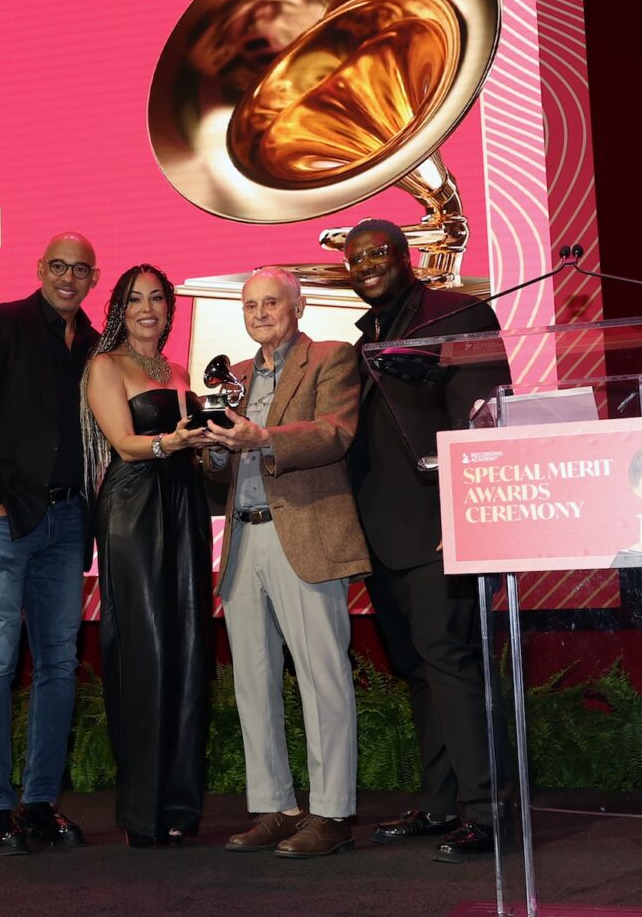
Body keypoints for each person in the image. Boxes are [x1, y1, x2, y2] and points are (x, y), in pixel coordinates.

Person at [344, 217, 505, 861]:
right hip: (384, 536)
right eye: (356, 259)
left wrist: (463, 511)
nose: (367, 265)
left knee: (449, 661)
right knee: (418, 669)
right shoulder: (366, 337)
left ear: (407, 256)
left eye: (379, 253)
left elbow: (481, 416)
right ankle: (442, 805)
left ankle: (488, 812)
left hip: (438, 528)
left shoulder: (456, 313)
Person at [202, 266, 371, 858]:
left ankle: (332, 813)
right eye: (250, 306)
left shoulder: (330, 357)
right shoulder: (235, 375)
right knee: (252, 681)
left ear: (298, 307)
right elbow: (218, 471)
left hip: (306, 534)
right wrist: (210, 446)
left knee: (323, 679)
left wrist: (262, 438)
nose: (260, 314)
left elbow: (334, 432)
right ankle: (275, 806)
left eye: (271, 302)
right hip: (243, 539)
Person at [0, 232, 100, 856]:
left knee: (58, 664)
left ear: (93, 279)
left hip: (68, 521)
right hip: (6, 521)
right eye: (58, 266)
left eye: (80, 270)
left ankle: (38, 804)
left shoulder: (95, 346)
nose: (68, 277)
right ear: (40, 269)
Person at [81, 263, 215, 848]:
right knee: (147, 648)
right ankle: (142, 813)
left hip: (184, 503)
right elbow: (123, 443)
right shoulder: (105, 366)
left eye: (157, 298)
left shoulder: (180, 370)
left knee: (188, 646)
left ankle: (180, 806)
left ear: (169, 308)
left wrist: (210, 444)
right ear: (119, 308)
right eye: (135, 299)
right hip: (133, 508)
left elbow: (193, 450)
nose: (147, 309)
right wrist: (172, 441)